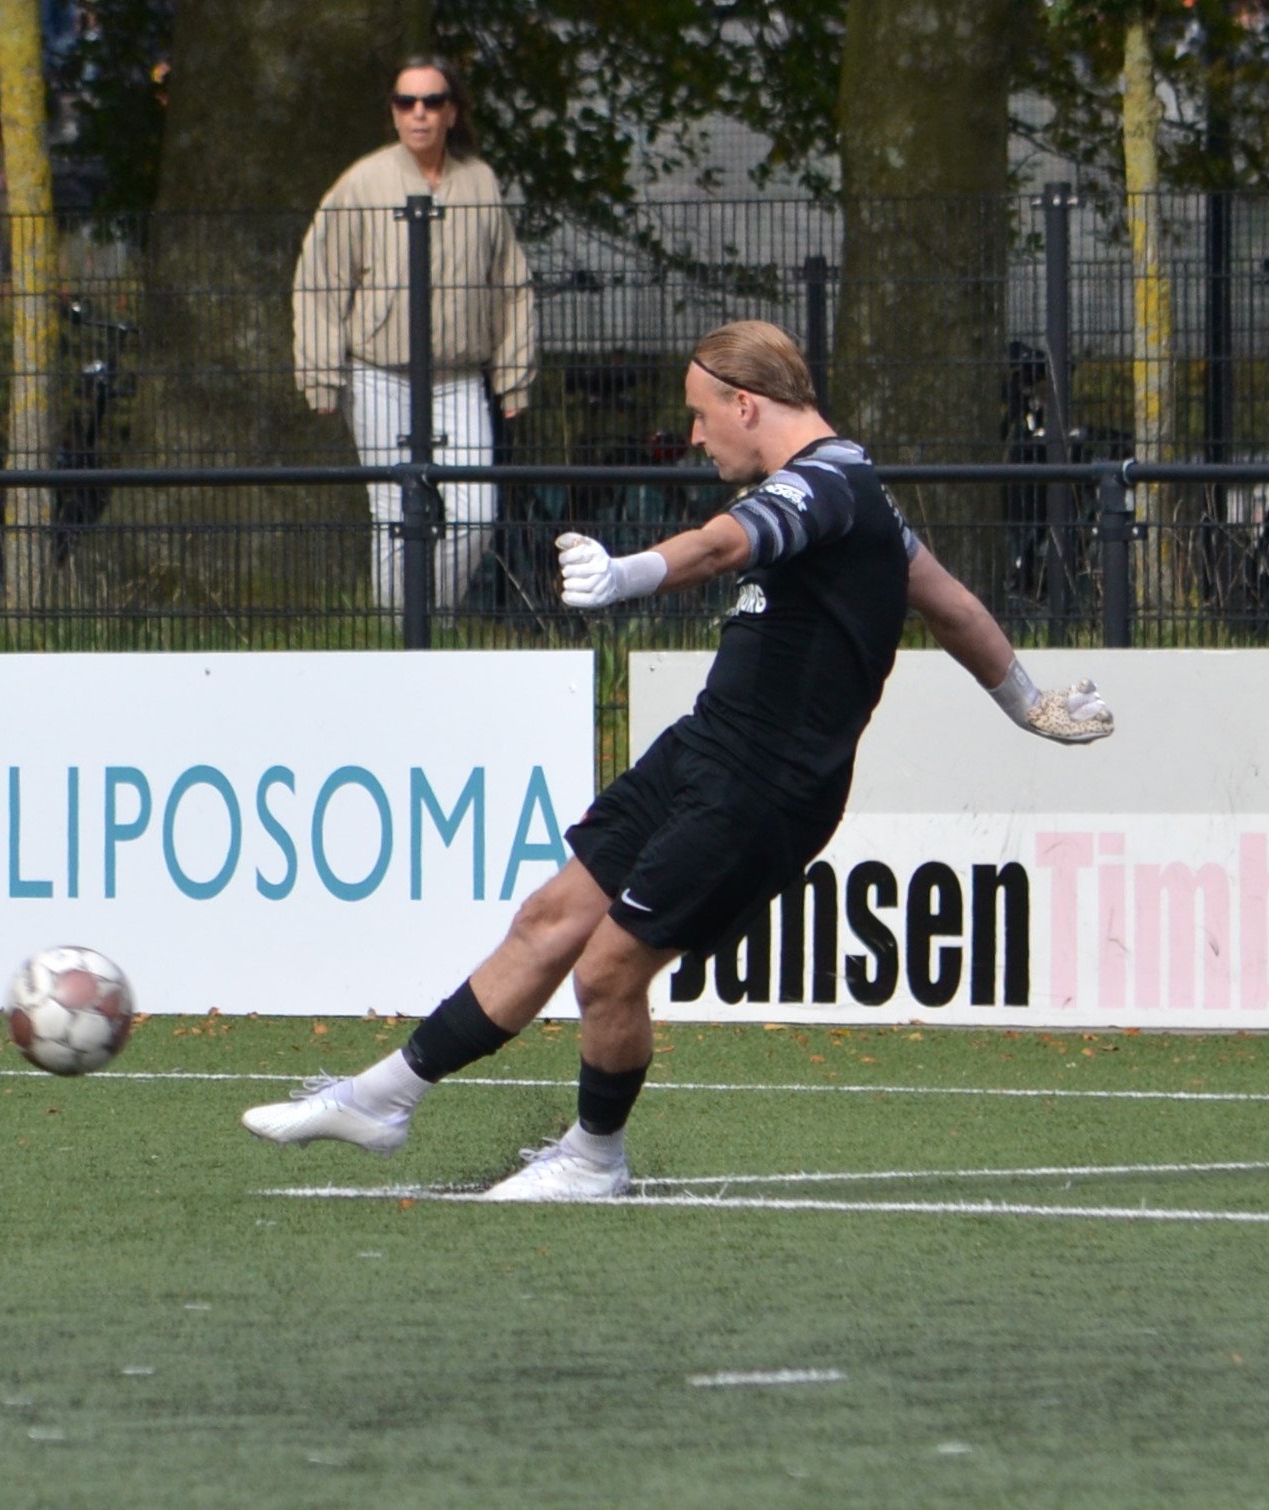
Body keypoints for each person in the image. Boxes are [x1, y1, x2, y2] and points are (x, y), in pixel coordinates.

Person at [242, 320, 1116, 1201]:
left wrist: (626, 575)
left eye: (702, 416)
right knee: (549, 918)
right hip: (706, 747)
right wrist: (1027, 702)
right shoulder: (855, 487)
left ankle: (594, 1160)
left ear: (746, 403)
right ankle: (380, 1100)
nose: (694, 436)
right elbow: (952, 606)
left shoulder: (822, 485)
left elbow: (722, 545)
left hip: (765, 788)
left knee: (609, 968)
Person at [292, 55, 536, 618]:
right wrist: (322, 372)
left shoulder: (479, 181)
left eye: (431, 102)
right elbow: (320, 278)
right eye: (406, 102)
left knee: (476, 512)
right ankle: (396, 642)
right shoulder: (363, 182)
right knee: (395, 514)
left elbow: (510, 280)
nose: (418, 114)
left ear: (452, 111)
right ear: (394, 112)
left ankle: (428, 627)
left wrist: (513, 377)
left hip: (458, 377)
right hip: (379, 373)